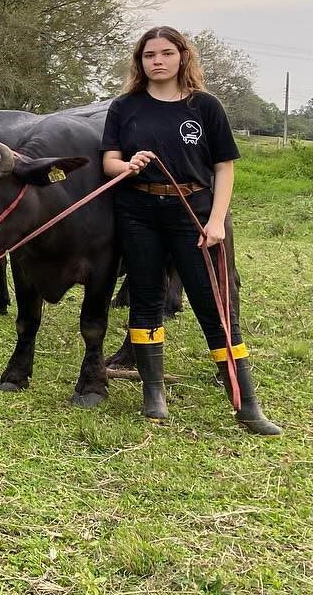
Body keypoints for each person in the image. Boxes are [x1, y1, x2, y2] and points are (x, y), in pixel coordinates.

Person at [101, 25, 280, 435]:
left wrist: (216, 220)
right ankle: (153, 393)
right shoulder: (125, 106)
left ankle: (246, 404)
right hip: (139, 209)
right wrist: (127, 166)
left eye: (165, 53)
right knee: (145, 298)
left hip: (194, 210)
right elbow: (109, 161)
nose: (157, 61)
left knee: (213, 306)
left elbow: (224, 167)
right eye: (149, 55)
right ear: (140, 61)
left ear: (182, 56)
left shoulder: (206, 106)